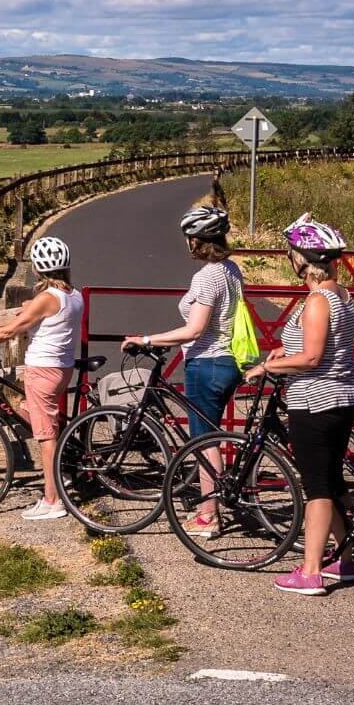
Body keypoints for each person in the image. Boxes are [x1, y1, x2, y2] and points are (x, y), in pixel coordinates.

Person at [243, 214, 354, 596]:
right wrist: (285, 350)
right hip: (341, 397)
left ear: (304, 258)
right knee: (331, 481)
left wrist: (267, 365)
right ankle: (345, 559)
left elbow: (311, 357)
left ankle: (310, 572)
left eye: (292, 251)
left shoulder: (316, 301)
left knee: (317, 489)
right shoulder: (340, 295)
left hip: (314, 401)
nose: (289, 257)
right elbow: (322, 348)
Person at [125, 204, 243, 537]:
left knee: (205, 441)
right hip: (227, 360)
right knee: (211, 436)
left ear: (197, 240)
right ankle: (213, 507)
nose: (187, 243)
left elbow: (194, 330)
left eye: (189, 237)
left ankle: (209, 514)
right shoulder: (232, 269)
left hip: (208, 363)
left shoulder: (207, 277)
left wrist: (147, 338)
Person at [0, 236, 83, 521]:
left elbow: (8, 331)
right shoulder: (73, 295)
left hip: (42, 371)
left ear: (38, 269)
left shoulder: (47, 299)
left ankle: (53, 500)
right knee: (31, 414)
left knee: (45, 436)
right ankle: (62, 473)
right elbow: (43, 311)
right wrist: (30, 306)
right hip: (61, 369)